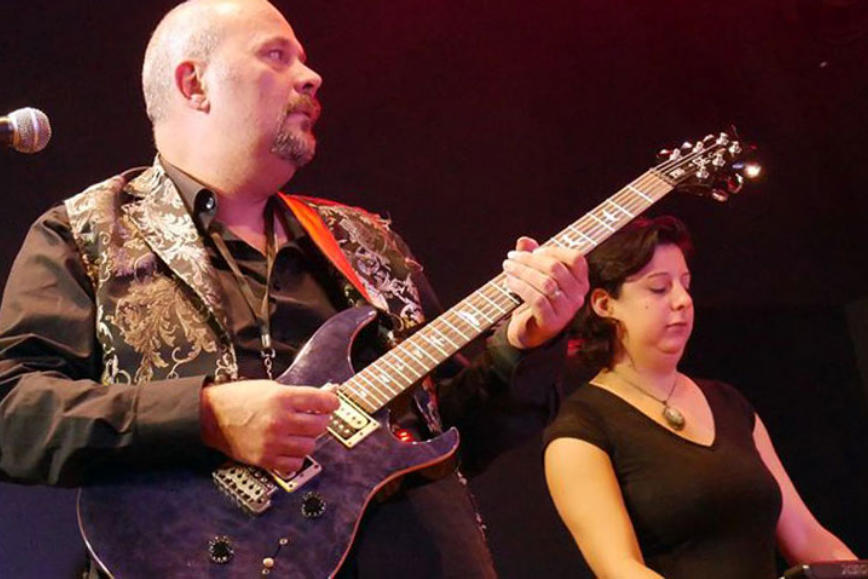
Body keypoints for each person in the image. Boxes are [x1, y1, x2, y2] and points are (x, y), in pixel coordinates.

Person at [0, 1, 590, 577]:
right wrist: (203, 415)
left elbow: (456, 434)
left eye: (302, 58)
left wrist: (523, 345)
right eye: (276, 56)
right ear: (194, 84)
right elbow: (12, 415)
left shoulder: (367, 241)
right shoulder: (86, 234)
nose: (311, 76)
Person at [543, 215, 856, 578]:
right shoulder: (581, 428)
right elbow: (620, 568)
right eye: (659, 288)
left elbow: (806, 535)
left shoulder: (728, 402)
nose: (682, 300)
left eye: (686, 284)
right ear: (604, 304)